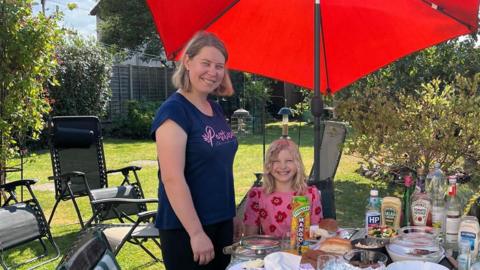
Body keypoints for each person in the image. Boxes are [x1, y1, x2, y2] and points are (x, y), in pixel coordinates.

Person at [151, 31, 238, 270]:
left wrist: (231, 216)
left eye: (219, 66)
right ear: (188, 62)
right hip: (187, 230)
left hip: (221, 222)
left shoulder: (216, 109)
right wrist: (196, 233)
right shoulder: (174, 112)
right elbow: (172, 178)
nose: (213, 72)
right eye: (206, 63)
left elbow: (219, 169)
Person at [243, 139, 323, 238]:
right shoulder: (257, 196)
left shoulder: (311, 194)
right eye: (276, 161)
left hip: (301, 252)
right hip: (269, 252)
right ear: (268, 166)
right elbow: (250, 238)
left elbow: (318, 235)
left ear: (298, 164)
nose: (283, 166)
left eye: (289, 161)